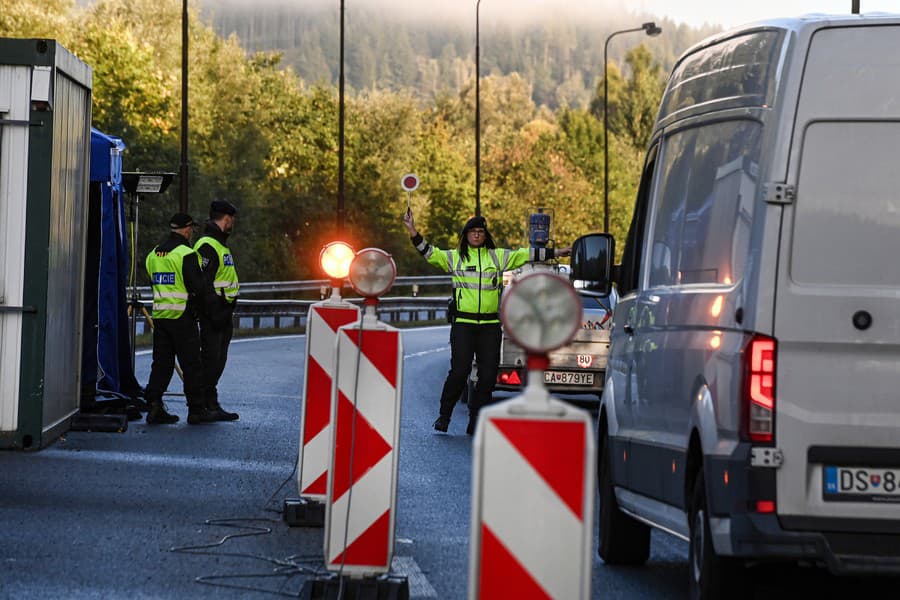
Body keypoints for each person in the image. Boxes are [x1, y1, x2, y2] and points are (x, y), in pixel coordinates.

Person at [403, 210, 570, 435]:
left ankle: (476, 420)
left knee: (488, 374)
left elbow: (527, 254)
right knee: (460, 371)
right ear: (466, 235)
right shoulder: (456, 257)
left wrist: (557, 251)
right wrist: (412, 230)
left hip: (490, 326)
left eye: (481, 232)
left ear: (485, 235)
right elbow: (429, 252)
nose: (477, 235)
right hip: (464, 323)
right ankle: (444, 416)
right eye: (473, 232)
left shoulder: (497, 256)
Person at [144, 213, 217, 425]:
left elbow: (153, 283)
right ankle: (196, 410)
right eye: (191, 230)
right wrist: (204, 310)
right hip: (182, 317)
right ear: (186, 229)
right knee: (192, 364)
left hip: (160, 316)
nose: (192, 233)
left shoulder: (153, 254)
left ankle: (154, 406)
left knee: (161, 364)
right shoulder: (186, 253)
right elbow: (199, 288)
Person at [195, 200, 240, 421]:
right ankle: (203, 404)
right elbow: (203, 281)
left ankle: (211, 403)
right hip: (214, 314)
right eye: (232, 219)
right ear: (227, 218)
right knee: (211, 360)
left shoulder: (220, 244)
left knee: (218, 360)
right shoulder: (207, 244)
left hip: (223, 312)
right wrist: (214, 312)